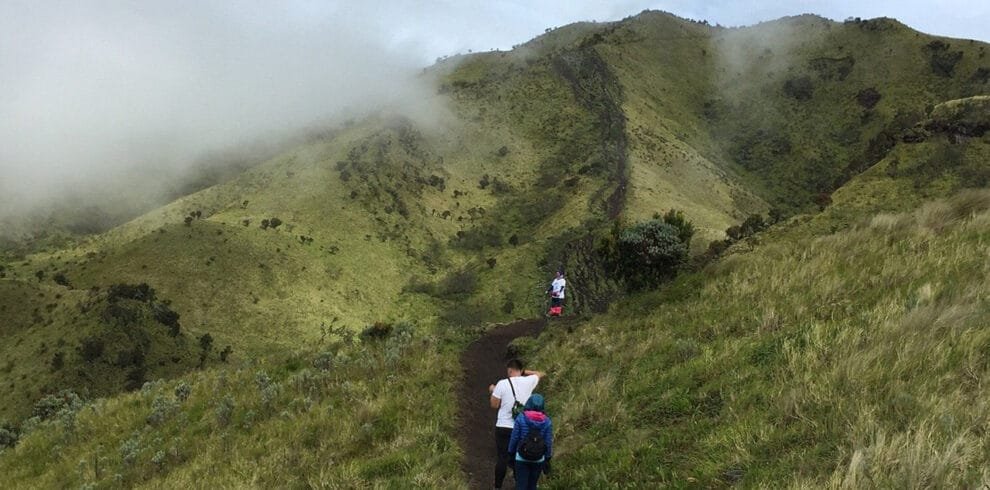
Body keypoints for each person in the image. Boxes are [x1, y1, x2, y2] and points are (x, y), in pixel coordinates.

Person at [489, 359, 544, 490]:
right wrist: (525, 372)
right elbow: (541, 373)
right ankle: (519, 485)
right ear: (520, 370)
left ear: (509, 370)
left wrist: (493, 390)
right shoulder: (529, 381)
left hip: (503, 426)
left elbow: (494, 405)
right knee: (518, 458)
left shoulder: (502, 384)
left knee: (502, 458)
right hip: (521, 426)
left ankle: (497, 487)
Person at [508, 394, 553, 490]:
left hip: (521, 457)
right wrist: (548, 458)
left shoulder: (520, 418)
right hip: (538, 458)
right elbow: (548, 442)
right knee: (532, 486)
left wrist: (510, 453)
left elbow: (514, 438)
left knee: (521, 485)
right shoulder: (547, 422)